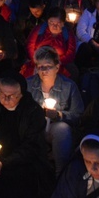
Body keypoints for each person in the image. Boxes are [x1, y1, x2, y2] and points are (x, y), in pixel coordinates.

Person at [25, 46, 84, 175]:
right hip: (35, 127)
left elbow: (78, 114)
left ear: (57, 67)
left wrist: (58, 115)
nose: (44, 70)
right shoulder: (28, 85)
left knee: (61, 129)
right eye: (40, 67)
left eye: (48, 66)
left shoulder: (69, 86)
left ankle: (60, 174)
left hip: (56, 129)